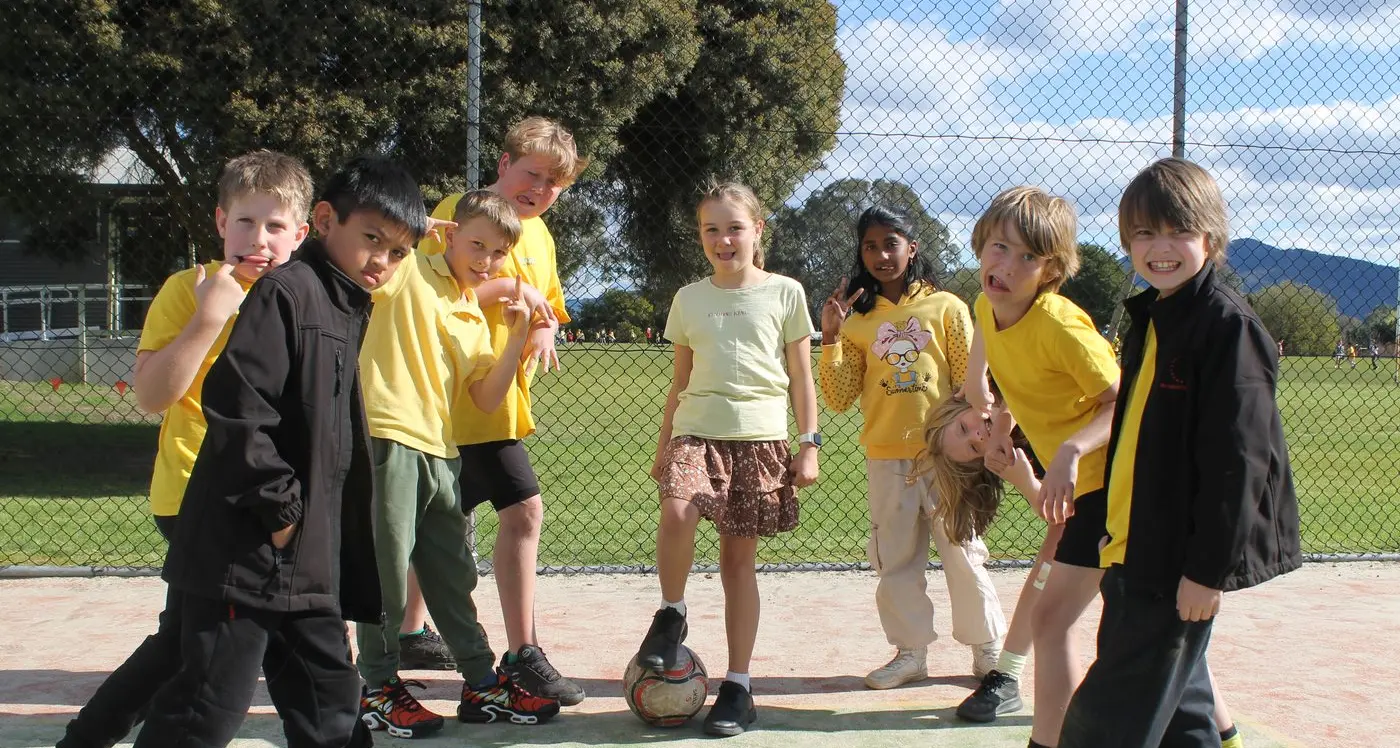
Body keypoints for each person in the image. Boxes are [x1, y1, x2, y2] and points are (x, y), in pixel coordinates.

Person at [129, 155, 422, 747]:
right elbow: (239, 408)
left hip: (301, 555)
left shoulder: (339, 302)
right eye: (371, 239)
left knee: (331, 703)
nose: (381, 262)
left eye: (398, 253)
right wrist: (282, 514)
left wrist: (306, 530)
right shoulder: (286, 294)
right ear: (323, 220)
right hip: (248, 551)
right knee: (206, 706)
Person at [58, 151, 314, 748]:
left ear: (301, 235)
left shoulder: (304, 295)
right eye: (246, 222)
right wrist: (206, 320)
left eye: (276, 226)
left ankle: (87, 736)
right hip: (199, 495)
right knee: (225, 640)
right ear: (220, 222)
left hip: (272, 493)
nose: (259, 238)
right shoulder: (189, 290)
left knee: (184, 636)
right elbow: (152, 395)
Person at [1058, 158, 1300, 748]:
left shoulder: (1225, 326)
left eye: (1177, 232)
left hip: (1173, 563)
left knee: (1105, 721)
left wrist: (1206, 571)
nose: (1159, 247)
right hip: (1131, 546)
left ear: (1210, 239)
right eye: (1144, 233)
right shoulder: (1155, 316)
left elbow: (1240, 460)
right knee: (1184, 718)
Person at [354, 190, 560, 738]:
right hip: (388, 439)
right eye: (476, 245)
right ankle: (375, 688)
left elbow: (488, 398)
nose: (485, 261)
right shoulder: (409, 273)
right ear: (448, 235)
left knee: (451, 573)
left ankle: (481, 685)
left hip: (442, 452)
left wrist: (517, 336)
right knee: (386, 573)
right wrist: (412, 232)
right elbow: (369, 251)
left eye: (496, 254)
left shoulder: (470, 312)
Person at [928, 394, 1248, 743]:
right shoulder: (1012, 447)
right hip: (1109, 510)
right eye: (972, 449)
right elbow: (1060, 513)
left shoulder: (1015, 395)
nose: (975, 436)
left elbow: (1110, 405)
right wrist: (1025, 480)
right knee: (1163, 635)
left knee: (1149, 630)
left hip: (1139, 497)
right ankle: (1227, 736)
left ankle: (1014, 685)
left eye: (963, 427)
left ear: (963, 404)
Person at [411, 116, 588, 704]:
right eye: (531, 173)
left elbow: (551, 308)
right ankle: (518, 653)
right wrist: (516, 294)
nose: (538, 188)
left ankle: (426, 634)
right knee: (515, 515)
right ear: (503, 163)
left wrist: (545, 329)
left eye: (553, 183)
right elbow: (434, 295)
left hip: (498, 404)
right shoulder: (461, 209)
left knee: (449, 526)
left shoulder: (538, 236)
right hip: (453, 406)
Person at [635, 180, 819, 738]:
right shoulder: (689, 299)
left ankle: (738, 686)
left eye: (734, 227)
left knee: (738, 565)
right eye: (710, 229)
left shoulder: (785, 292)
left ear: (757, 230)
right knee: (677, 511)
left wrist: (808, 444)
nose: (722, 239)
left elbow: (802, 378)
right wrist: (665, 442)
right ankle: (672, 611)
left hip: (759, 439)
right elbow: (680, 381)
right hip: (697, 431)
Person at [816, 205, 1006, 691]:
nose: (881, 254)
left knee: (962, 550)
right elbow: (838, 398)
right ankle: (910, 653)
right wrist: (832, 338)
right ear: (860, 253)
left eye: (890, 243)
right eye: (870, 246)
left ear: (912, 248)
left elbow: (969, 381)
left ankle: (987, 653)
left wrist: (973, 444)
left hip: (947, 457)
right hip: (886, 456)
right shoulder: (858, 322)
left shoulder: (946, 307)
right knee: (896, 558)